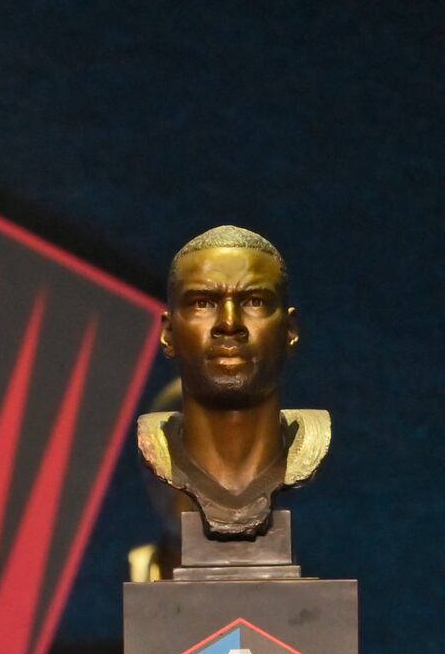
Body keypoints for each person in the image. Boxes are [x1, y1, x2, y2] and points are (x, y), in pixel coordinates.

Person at [136, 225, 328, 538]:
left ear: (290, 330)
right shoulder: (157, 446)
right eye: (202, 303)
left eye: (254, 302)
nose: (229, 323)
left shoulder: (308, 445)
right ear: (168, 333)